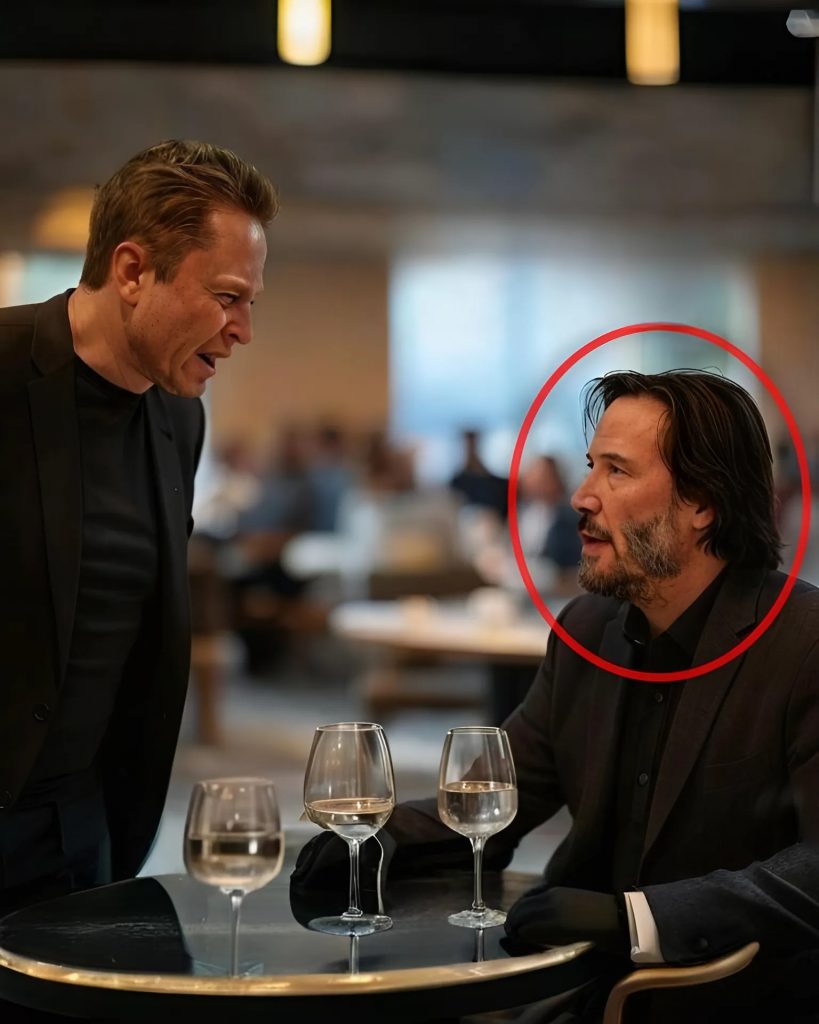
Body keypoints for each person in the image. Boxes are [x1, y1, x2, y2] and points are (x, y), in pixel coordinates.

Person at [292, 369, 819, 1023]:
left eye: (617, 472)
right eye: (591, 466)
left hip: (738, 1001)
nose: (581, 496)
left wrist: (638, 919)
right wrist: (382, 838)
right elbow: (495, 797)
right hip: (571, 988)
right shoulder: (586, 630)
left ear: (702, 504)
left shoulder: (802, 641)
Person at [0, 140, 277, 925]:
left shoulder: (178, 419)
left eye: (251, 301)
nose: (242, 329)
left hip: (84, 834)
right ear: (131, 271)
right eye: (226, 297)